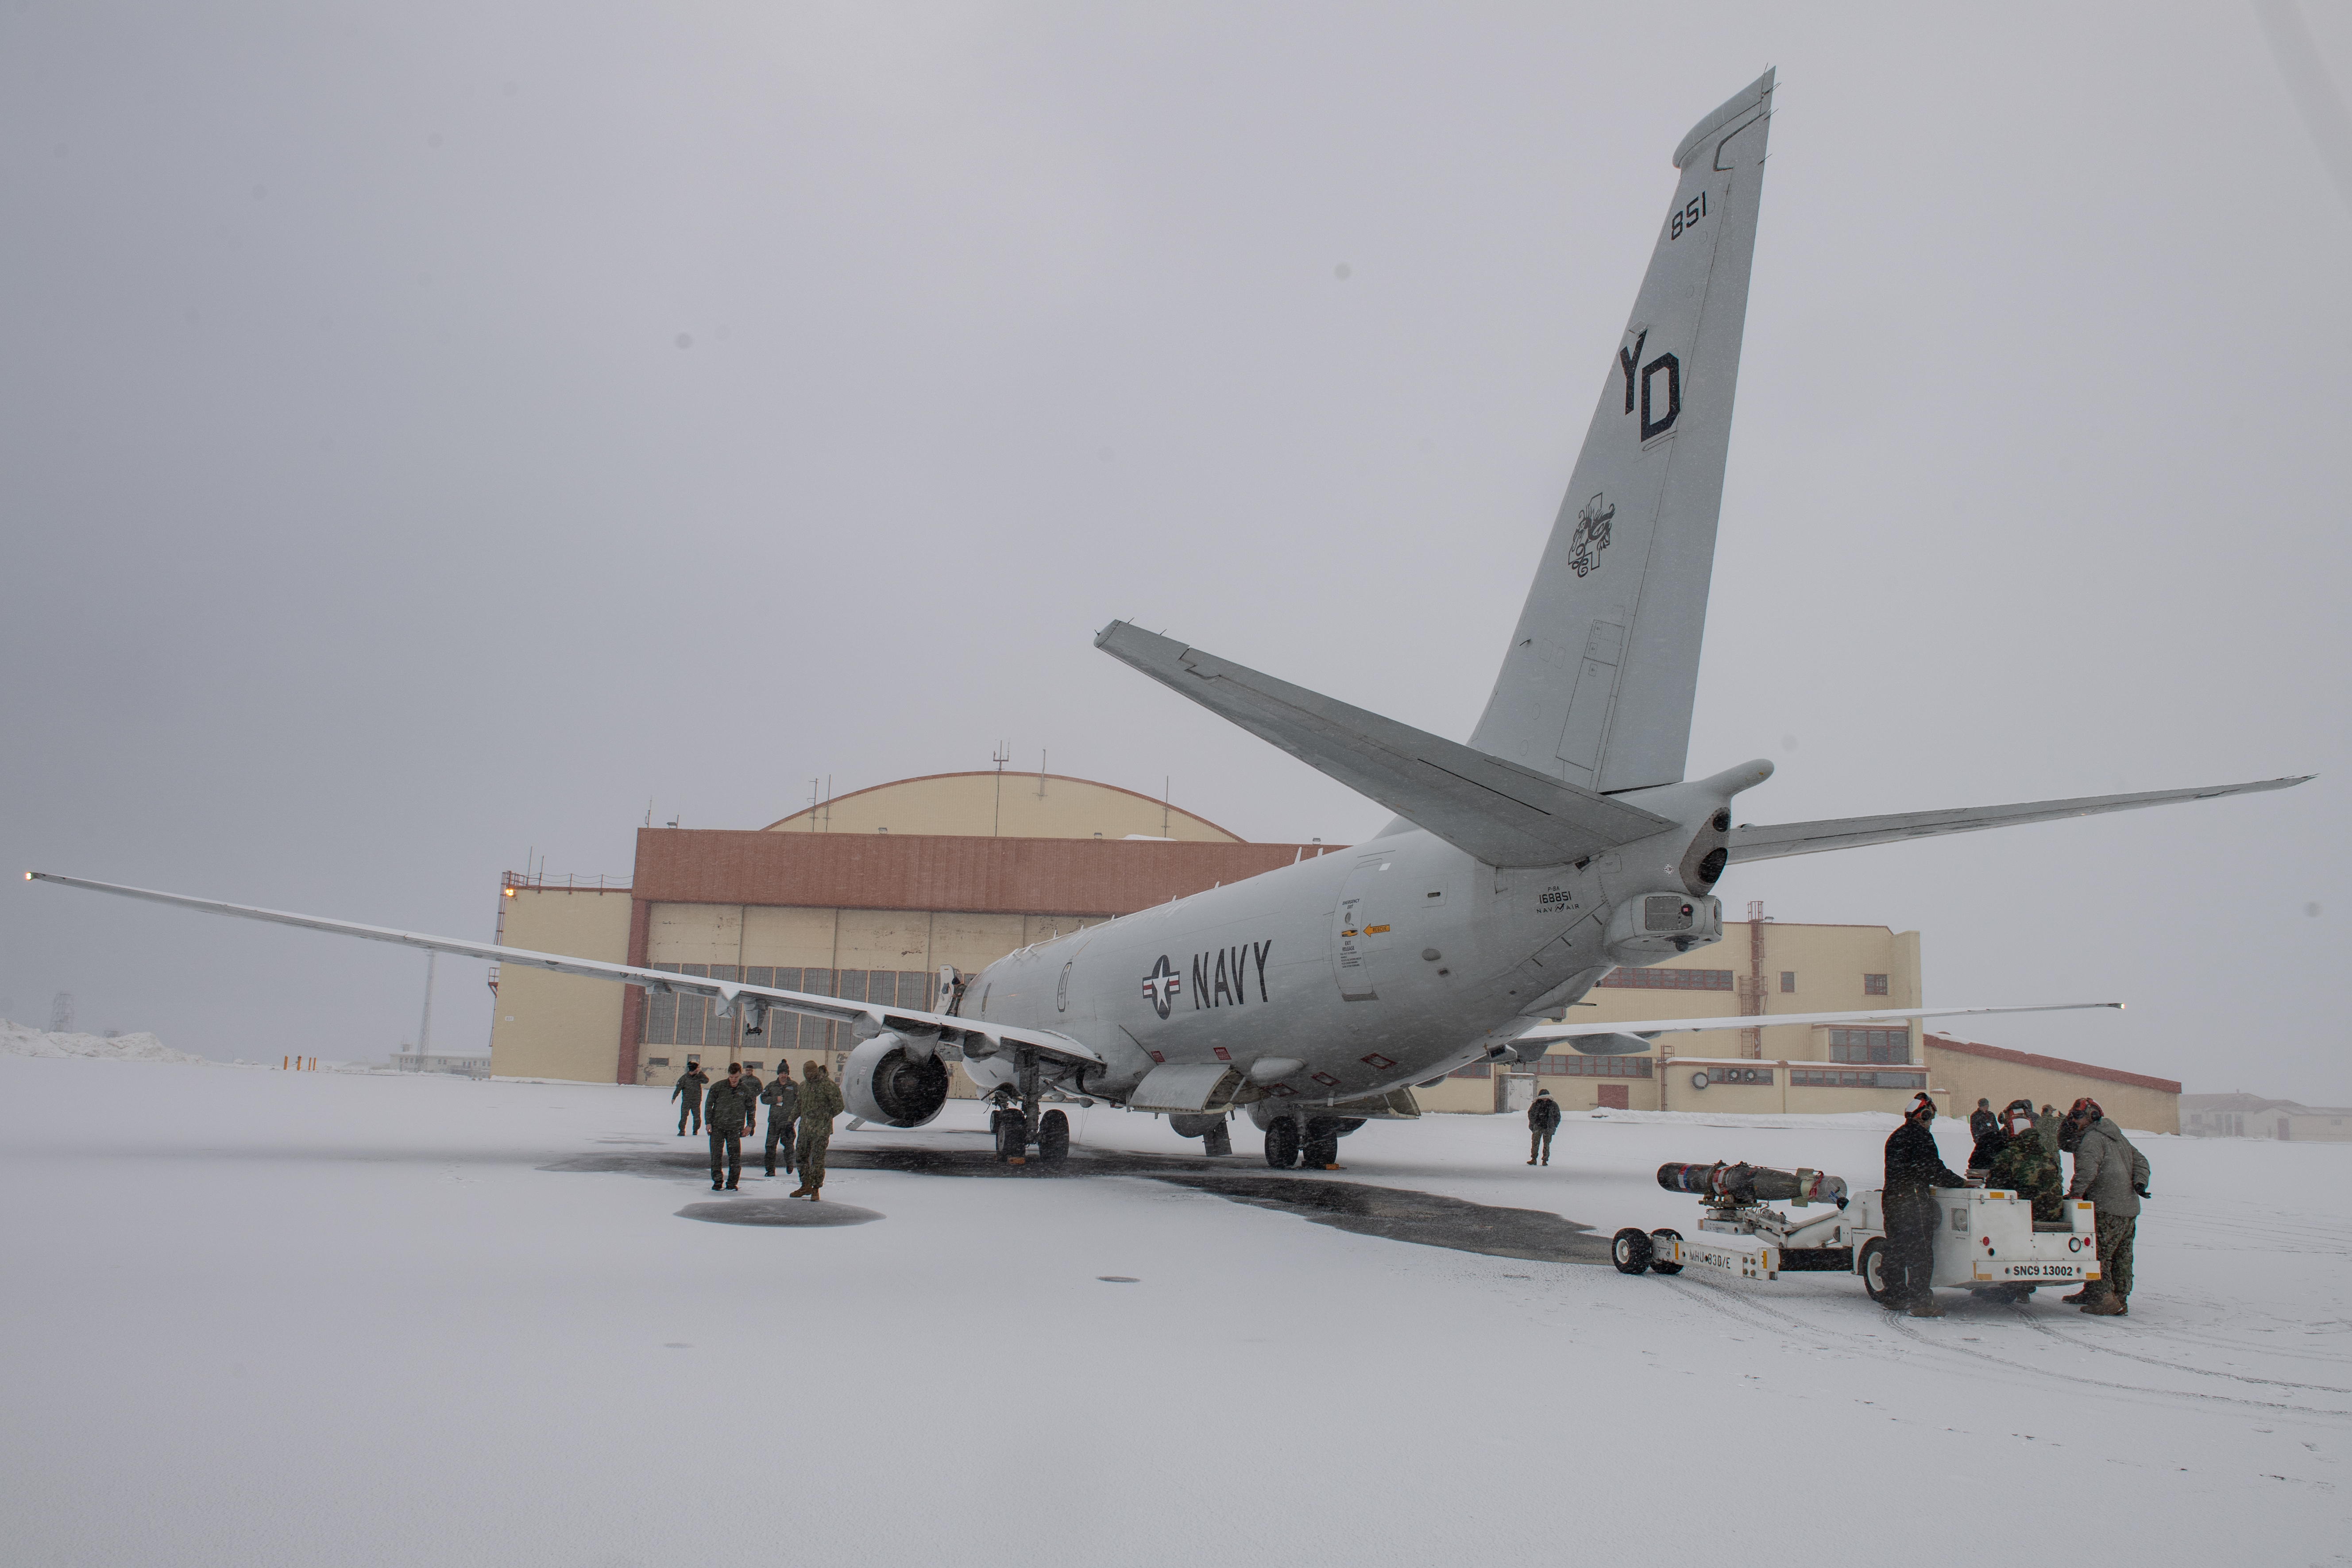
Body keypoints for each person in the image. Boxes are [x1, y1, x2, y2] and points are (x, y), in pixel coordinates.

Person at [1882, 1092, 1972, 1317]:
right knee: (1920, 1251)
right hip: (1912, 1200)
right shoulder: (1921, 1137)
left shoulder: (1896, 1136)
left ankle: (1895, 1295)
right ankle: (1920, 1300)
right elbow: (1933, 1170)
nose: (1931, 1122)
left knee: (1896, 1248)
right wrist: (1960, 1183)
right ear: (1923, 1115)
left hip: (1892, 1198)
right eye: (1930, 1117)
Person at [2059, 1097, 2151, 1317]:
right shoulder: (2117, 1137)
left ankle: (2104, 1299)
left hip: (2106, 1207)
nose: (2074, 1121)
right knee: (2122, 1256)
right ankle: (2118, 1298)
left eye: (2078, 1117)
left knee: (2097, 1254)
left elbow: (2087, 1171)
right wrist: (2140, 1183)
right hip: (2128, 1208)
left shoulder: (2093, 1139)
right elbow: (2142, 1161)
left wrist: (2076, 1194)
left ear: (2092, 1116)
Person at [1986, 1100, 2064, 1224]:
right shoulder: (2047, 1156)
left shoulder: (2009, 1156)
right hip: (2053, 1215)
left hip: (2024, 1216)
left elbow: (1993, 1189)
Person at [788, 1059, 846, 1201]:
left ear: (816, 1072)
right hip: (805, 1130)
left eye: (811, 1074)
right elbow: (798, 1105)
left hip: (821, 1130)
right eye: (806, 1075)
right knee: (801, 1156)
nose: (809, 1077)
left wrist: (825, 1117)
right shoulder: (803, 1086)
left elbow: (839, 1106)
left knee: (818, 1160)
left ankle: (816, 1189)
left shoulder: (828, 1085)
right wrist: (791, 1120)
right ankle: (806, 1185)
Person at [704, 1062, 757, 1192]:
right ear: (728, 1075)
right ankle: (717, 1181)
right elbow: (709, 1105)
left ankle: (733, 1183)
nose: (733, 1080)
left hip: (735, 1128)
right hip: (718, 1127)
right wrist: (708, 1122)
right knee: (716, 1156)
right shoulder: (718, 1087)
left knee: (735, 1158)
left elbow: (751, 1108)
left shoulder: (745, 1090)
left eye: (736, 1077)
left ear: (740, 1075)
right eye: (731, 1077)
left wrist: (750, 1125)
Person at [762, 1062, 800, 1178]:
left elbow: (800, 1101)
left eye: (785, 1073)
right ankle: (770, 1170)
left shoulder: (794, 1086)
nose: (784, 1075)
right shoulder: (772, 1086)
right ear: (778, 1074)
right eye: (782, 1073)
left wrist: (795, 1116)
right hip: (774, 1121)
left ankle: (789, 1164)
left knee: (789, 1146)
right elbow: (763, 1098)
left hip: (788, 1122)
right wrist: (775, 1099)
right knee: (770, 1146)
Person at [1966, 1098, 2009, 1181]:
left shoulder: (1991, 1115)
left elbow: (1996, 1128)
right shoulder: (1975, 1116)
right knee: (1981, 1160)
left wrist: (1997, 1139)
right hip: (1982, 1142)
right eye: (1985, 1105)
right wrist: (1978, 1141)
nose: (1987, 1107)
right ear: (1981, 1106)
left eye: (1988, 1105)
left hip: (1993, 1142)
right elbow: (1974, 1129)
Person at [671, 1060, 710, 1137]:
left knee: (697, 1117)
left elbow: (706, 1081)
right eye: (697, 1069)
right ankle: (682, 1131)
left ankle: (695, 1131)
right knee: (684, 1116)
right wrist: (674, 1097)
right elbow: (678, 1088)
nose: (697, 1070)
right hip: (687, 1101)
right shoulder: (684, 1078)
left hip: (696, 1101)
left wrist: (701, 1073)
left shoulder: (699, 1077)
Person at [1526, 1086, 1561, 1166]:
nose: (1545, 1099)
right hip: (1537, 1126)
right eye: (1543, 1097)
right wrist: (1533, 1123)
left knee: (1547, 1144)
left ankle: (1545, 1160)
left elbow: (1557, 1116)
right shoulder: (1536, 1104)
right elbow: (1531, 1114)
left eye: (1546, 1097)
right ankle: (1534, 1159)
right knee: (1535, 1143)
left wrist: (1554, 1125)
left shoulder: (1553, 1105)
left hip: (1548, 1127)